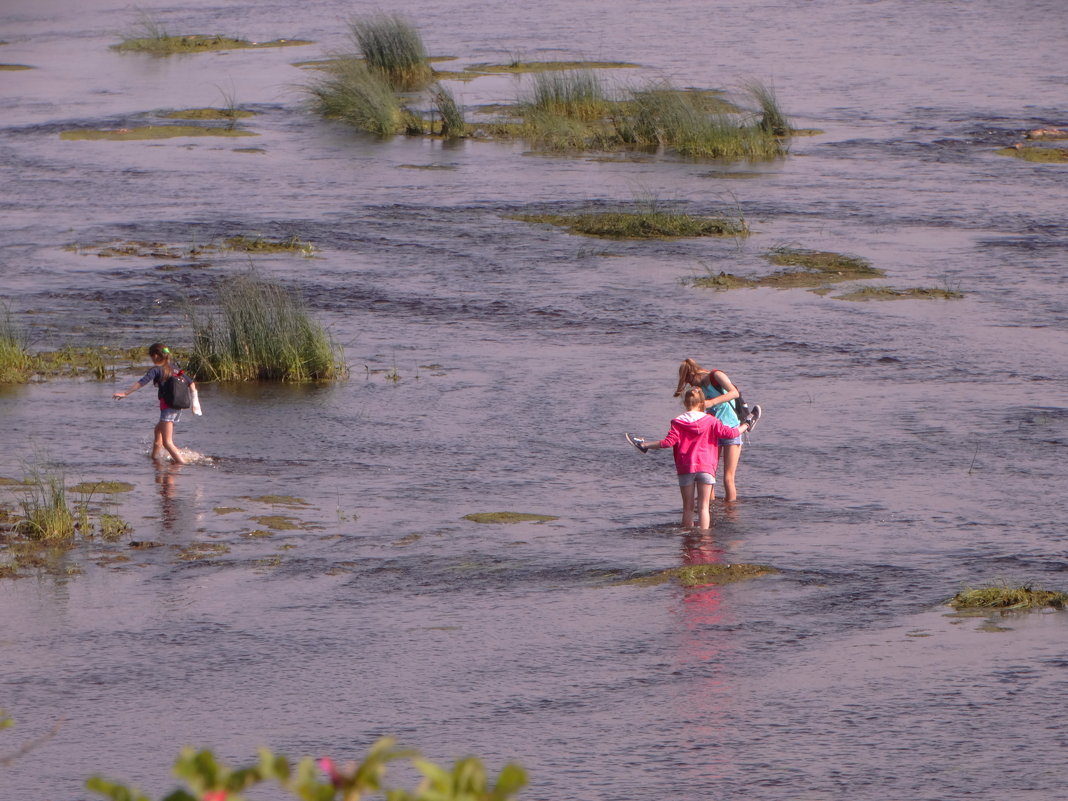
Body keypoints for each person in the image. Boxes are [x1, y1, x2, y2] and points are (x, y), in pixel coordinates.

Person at [625, 388, 759, 530]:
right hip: (706, 468)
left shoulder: (678, 422)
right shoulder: (712, 421)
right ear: (702, 402)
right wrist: (747, 424)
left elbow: (667, 442)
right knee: (704, 508)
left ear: (685, 402)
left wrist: (645, 445)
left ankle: (687, 541)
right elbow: (731, 433)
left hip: (686, 468)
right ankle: (704, 540)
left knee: (688, 508)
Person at [673, 358, 753, 502]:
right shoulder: (698, 388)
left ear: (692, 374)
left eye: (689, 381)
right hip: (712, 431)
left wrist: (711, 402)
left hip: (730, 427)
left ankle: (730, 514)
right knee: (709, 476)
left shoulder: (716, 376)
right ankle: (710, 511)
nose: (691, 385)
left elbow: (734, 393)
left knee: (728, 477)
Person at [113, 343, 195, 464]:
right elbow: (191, 383)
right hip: (176, 408)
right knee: (158, 431)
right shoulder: (175, 369)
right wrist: (195, 403)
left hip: (168, 409)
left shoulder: (157, 370)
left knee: (167, 442)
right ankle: (155, 458)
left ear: (156, 356)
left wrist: (126, 393)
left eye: (151, 357)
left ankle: (182, 463)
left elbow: (142, 381)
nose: (152, 360)